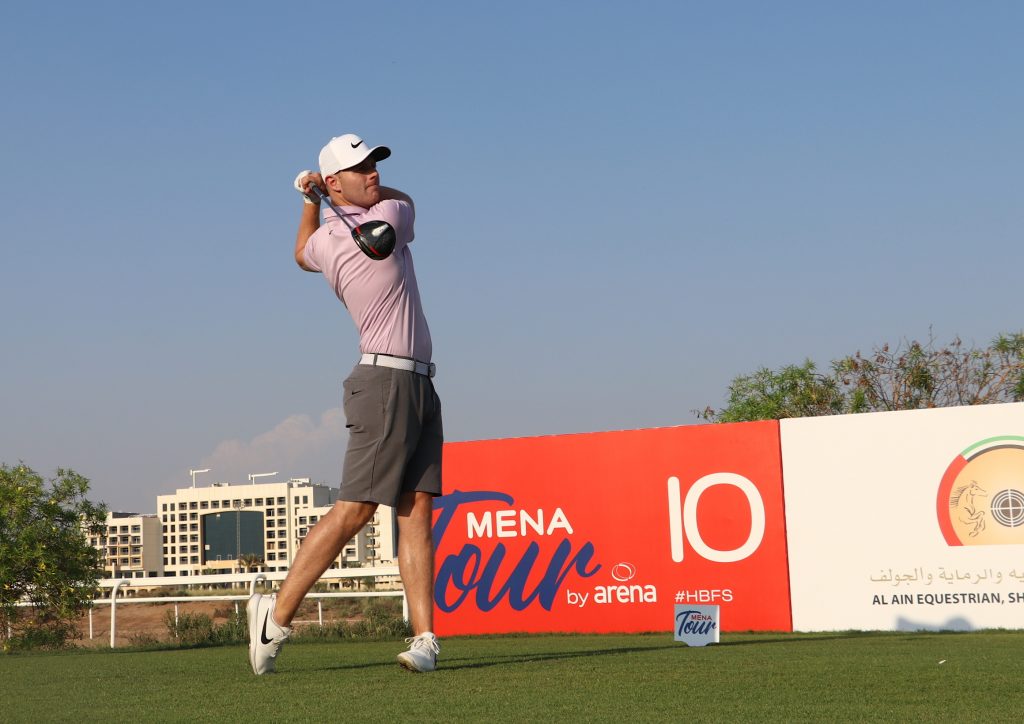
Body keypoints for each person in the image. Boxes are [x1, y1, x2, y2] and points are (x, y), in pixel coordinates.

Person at [247, 133, 443, 675]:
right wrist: (320, 198)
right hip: (382, 382)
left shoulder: (330, 237)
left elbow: (298, 252)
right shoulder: (386, 222)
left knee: (417, 510)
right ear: (336, 181)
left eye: (375, 163)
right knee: (356, 507)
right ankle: (276, 619)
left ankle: (425, 639)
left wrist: (310, 201)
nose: (374, 173)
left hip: (420, 383)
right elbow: (400, 203)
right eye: (359, 168)